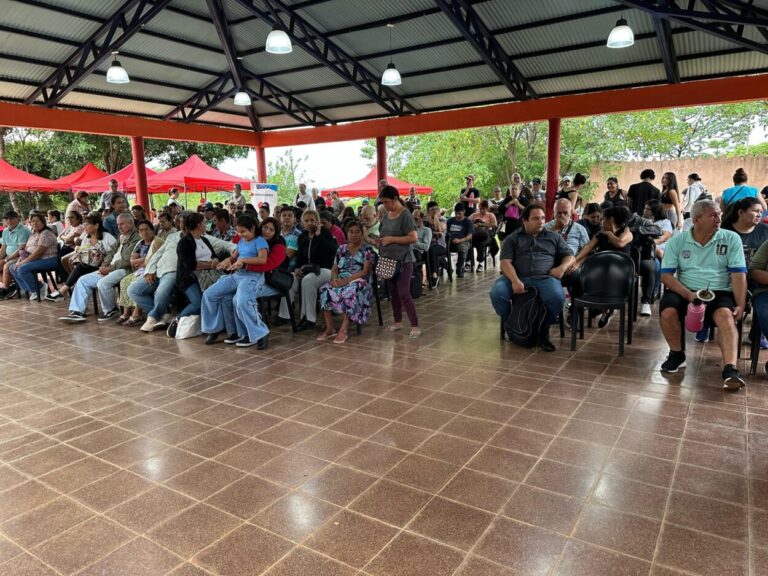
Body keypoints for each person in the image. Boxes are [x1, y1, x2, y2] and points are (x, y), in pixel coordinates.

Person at [658, 199, 746, 389]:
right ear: (696, 219)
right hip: (686, 288)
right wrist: (687, 294)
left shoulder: (731, 238)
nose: (719, 219)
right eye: (713, 215)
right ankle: (676, 354)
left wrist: (740, 304)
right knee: (667, 312)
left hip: (720, 290)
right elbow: (666, 276)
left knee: (726, 317)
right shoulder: (677, 241)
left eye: (719, 215)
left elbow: (739, 275)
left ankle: (730, 369)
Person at [128, 212, 234, 333]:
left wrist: (229, 258)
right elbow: (157, 255)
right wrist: (149, 271)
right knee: (133, 290)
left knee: (162, 292)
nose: (182, 225)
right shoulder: (172, 237)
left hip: (174, 272)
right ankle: (163, 314)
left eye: (184, 222)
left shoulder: (204, 238)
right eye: (180, 222)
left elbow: (228, 246)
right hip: (159, 270)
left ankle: (153, 316)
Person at [490, 204, 574, 351]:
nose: (541, 222)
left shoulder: (554, 237)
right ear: (525, 220)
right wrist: (515, 280)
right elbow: (504, 263)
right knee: (497, 293)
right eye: (536, 219)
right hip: (516, 277)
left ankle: (543, 330)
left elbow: (570, 256)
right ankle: (512, 325)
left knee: (557, 297)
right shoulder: (513, 238)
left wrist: (561, 268)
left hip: (544, 278)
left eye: (542, 218)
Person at [202, 214, 270, 348]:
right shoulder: (241, 241)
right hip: (237, 275)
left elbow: (262, 260)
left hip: (252, 276)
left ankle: (260, 333)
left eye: (243, 231)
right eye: (239, 231)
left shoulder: (260, 241)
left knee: (241, 301)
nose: (241, 234)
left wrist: (243, 261)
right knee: (209, 294)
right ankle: (214, 329)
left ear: (252, 228)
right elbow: (234, 257)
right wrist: (227, 261)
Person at [59, 212, 139, 323]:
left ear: (131, 223)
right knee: (82, 280)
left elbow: (126, 260)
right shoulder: (121, 236)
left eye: (122, 224)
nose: (119, 227)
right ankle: (77, 312)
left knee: (102, 283)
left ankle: (111, 309)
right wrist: (105, 265)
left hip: (124, 269)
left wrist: (109, 268)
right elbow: (111, 253)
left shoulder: (136, 237)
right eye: (118, 224)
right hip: (110, 267)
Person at [569, 205, 634, 326]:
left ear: (611, 220)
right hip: (602, 271)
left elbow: (620, 243)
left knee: (604, 278)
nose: (601, 222)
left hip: (620, 272)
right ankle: (577, 311)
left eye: (603, 219)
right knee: (580, 278)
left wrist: (609, 234)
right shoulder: (600, 234)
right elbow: (588, 247)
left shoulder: (626, 232)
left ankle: (603, 309)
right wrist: (574, 260)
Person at [276, 209, 336, 331]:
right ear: (302, 222)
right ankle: (284, 315)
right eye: (307, 220)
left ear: (318, 222)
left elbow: (331, 251)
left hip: (325, 270)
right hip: (308, 269)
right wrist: (297, 268)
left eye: (313, 220)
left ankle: (309, 318)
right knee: (291, 278)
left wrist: (319, 235)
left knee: (308, 281)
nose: (310, 223)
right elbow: (301, 257)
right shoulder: (302, 236)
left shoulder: (324, 233)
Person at [316, 221, 376, 344]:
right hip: (342, 279)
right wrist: (334, 280)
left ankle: (344, 329)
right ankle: (330, 328)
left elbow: (365, 271)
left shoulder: (367, 250)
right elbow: (334, 269)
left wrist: (346, 281)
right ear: (347, 234)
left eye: (357, 231)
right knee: (324, 289)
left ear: (362, 233)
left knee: (350, 291)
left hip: (359, 281)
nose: (353, 234)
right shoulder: (341, 249)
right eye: (350, 232)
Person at [378, 185, 420, 337]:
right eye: (382, 202)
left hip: (404, 260)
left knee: (403, 292)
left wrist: (391, 239)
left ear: (395, 199)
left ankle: (415, 325)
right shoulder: (385, 216)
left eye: (387, 202)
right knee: (393, 292)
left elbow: (413, 237)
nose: (385, 205)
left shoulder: (405, 215)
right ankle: (398, 321)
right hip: (388, 260)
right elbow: (382, 235)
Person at [53, 212, 116, 301]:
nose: (85, 227)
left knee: (80, 267)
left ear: (96, 225)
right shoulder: (87, 238)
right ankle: (67, 288)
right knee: (77, 265)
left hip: (104, 266)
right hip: (89, 265)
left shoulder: (107, 237)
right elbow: (83, 251)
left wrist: (103, 259)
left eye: (87, 224)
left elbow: (115, 253)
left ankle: (64, 289)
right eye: (84, 224)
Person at [117, 220, 163, 326]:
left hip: (152, 271)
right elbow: (132, 260)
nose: (144, 232)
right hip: (140, 270)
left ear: (152, 230)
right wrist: (143, 261)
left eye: (146, 229)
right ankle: (126, 312)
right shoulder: (140, 243)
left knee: (135, 283)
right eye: (141, 230)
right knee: (124, 281)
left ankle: (137, 313)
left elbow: (152, 260)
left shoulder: (157, 241)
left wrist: (142, 261)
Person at [8, 213, 58, 300]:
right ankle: (31, 289)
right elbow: (25, 250)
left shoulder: (46, 233)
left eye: (37, 221)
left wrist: (23, 262)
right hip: (36, 259)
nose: (35, 223)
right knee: (12, 267)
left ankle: (39, 288)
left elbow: (39, 252)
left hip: (48, 259)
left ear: (43, 222)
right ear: (30, 223)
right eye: (32, 221)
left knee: (22, 269)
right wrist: (19, 262)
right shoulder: (33, 235)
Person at [643, 199, 674, 314]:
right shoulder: (643, 221)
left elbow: (665, 237)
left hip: (660, 248)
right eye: (645, 208)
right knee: (653, 262)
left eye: (648, 209)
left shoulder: (664, 222)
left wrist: (652, 243)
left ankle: (653, 292)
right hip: (649, 251)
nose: (645, 210)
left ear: (655, 211)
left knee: (655, 265)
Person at [721, 197, 768, 262]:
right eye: (756, 211)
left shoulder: (765, 230)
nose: (759, 215)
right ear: (741, 212)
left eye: (761, 212)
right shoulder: (724, 231)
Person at [0, 210, 31, 299]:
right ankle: (12, 285)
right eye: (7, 219)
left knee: (6, 266)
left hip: (22, 256)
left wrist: (5, 260)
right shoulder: (5, 231)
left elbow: (21, 249)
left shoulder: (23, 230)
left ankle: (5, 289)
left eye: (12, 218)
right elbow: (3, 248)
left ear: (17, 219)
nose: (9, 221)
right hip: (9, 256)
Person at [469, 199, 498, 272]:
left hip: (487, 235)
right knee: (468, 241)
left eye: (483, 209)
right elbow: (466, 222)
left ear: (487, 208)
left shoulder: (490, 215)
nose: (481, 210)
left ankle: (480, 263)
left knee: (481, 243)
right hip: (475, 235)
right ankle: (468, 262)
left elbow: (495, 224)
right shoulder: (474, 215)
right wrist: (473, 225)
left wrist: (482, 224)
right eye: (480, 208)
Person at [446, 203, 474, 277]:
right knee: (441, 248)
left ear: (464, 212)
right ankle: (447, 267)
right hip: (450, 241)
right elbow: (446, 231)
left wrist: (460, 240)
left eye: (459, 213)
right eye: (456, 213)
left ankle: (460, 267)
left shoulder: (468, 222)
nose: (457, 215)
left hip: (463, 241)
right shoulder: (450, 221)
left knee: (462, 248)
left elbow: (469, 236)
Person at [425, 201, 448, 287]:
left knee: (432, 250)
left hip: (440, 245)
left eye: (436, 209)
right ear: (428, 211)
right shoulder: (425, 221)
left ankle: (434, 275)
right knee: (426, 250)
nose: (434, 211)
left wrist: (435, 218)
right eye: (432, 210)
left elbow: (440, 229)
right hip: (427, 245)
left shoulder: (443, 219)